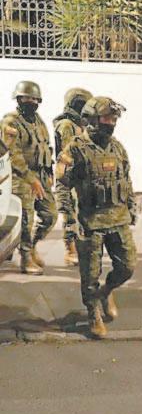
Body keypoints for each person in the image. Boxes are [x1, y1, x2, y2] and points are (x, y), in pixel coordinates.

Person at [56, 96, 137, 339]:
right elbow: (62, 185)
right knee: (90, 274)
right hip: (90, 222)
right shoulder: (75, 149)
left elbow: (126, 179)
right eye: (106, 118)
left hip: (119, 219)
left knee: (127, 267)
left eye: (114, 119)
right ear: (91, 120)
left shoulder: (117, 148)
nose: (111, 123)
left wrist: (131, 207)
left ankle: (107, 291)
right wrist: (69, 220)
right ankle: (93, 313)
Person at [1, 81, 57, 274]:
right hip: (21, 177)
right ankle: (26, 259)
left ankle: (31, 246)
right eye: (27, 98)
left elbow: (46, 147)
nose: (31, 102)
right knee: (27, 219)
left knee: (50, 215)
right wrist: (30, 178)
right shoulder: (11, 122)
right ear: (19, 99)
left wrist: (48, 172)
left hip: (40, 175)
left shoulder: (38, 121)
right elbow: (13, 154)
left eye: (34, 99)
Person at [53, 87, 93, 266]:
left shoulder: (80, 126)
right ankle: (70, 251)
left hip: (79, 178)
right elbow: (70, 152)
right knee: (70, 215)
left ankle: (81, 247)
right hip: (68, 179)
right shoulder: (67, 125)